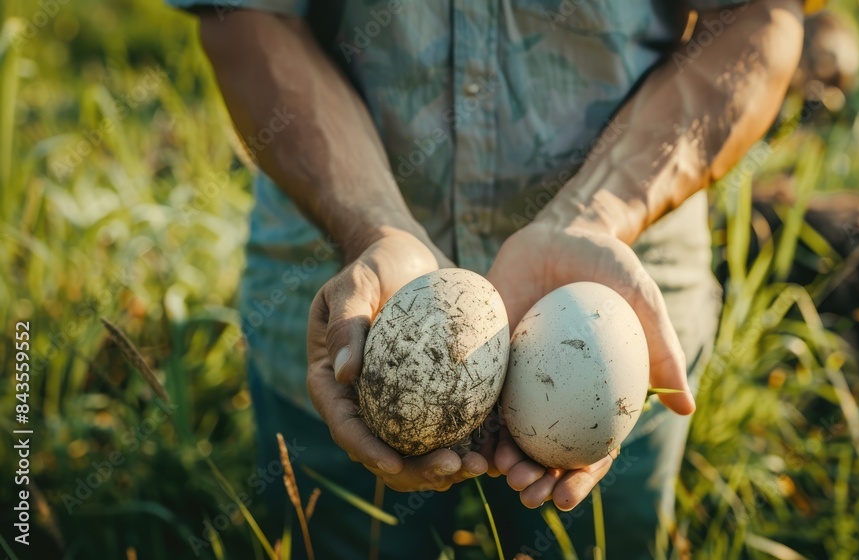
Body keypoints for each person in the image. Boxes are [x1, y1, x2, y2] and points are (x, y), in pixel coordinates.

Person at [171, 0, 809, 557]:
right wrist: (372, 226)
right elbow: (242, 14)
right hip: (352, 309)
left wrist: (595, 214)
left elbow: (761, 15)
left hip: (609, 304)